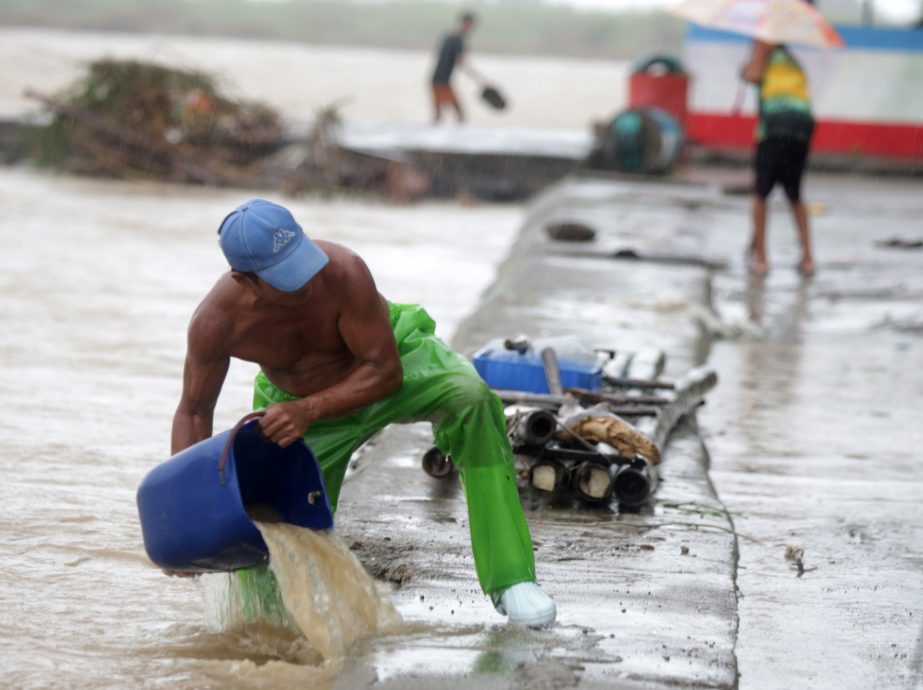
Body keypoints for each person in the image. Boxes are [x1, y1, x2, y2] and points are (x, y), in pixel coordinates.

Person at [170, 198, 557, 627]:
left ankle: (512, 580)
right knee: (268, 507)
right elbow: (194, 409)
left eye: (302, 261)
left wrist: (309, 408)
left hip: (389, 363)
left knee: (472, 398)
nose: (306, 282)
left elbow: (385, 371)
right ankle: (269, 625)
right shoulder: (215, 324)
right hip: (299, 403)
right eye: (286, 278)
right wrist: (188, 520)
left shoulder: (344, 270)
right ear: (247, 281)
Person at [742, 39, 816, 276]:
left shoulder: (766, 55)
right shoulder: (794, 64)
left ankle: (762, 259)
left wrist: (758, 50)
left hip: (775, 127)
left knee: (761, 194)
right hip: (801, 130)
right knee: (794, 193)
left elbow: (751, 75)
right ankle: (807, 258)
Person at [430, 11, 484, 123]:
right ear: (464, 23)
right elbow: (461, 62)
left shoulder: (450, 37)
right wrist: (480, 79)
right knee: (459, 113)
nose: (470, 28)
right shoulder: (456, 39)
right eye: (469, 25)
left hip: (438, 80)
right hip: (442, 82)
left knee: (439, 114)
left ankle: (435, 137)